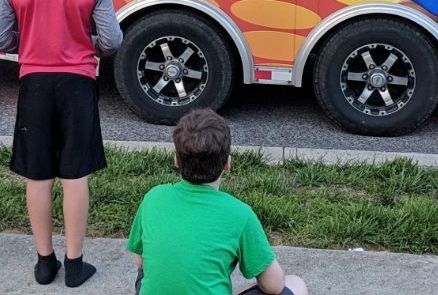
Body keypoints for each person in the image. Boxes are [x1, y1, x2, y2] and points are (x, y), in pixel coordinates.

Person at [0, 0, 123, 287]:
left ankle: (44, 263)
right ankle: (75, 264)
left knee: (38, 176)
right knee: (75, 176)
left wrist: (27, 42)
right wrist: (88, 46)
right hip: (78, 84)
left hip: (34, 84)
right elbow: (112, 41)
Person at [127, 109, 308, 295]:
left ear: (176, 160)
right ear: (227, 163)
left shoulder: (153, 197)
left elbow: (141, 262)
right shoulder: (240, 214)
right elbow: (274, 285)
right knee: (296, 284)